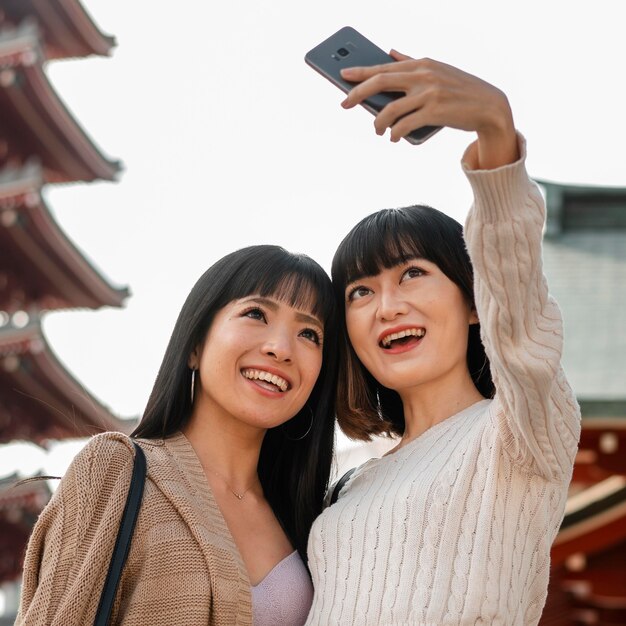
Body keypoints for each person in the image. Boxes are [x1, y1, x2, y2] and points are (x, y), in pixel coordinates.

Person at [305, 53, 581, 625]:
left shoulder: (519, 431)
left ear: (474, 302)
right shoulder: (349, 481)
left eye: (412, 274)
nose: (388, 306)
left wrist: (495, 132)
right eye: (360, 291)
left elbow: (521, 318)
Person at [16, 245, 338, 626]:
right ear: (195, 346)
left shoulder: (314, 520)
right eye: (256, 314)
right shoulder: (117, 470)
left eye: (309, 334)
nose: (281, 348)